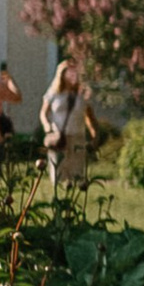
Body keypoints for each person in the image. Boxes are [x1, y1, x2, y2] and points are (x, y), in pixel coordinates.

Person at [39, 55, 96, 191]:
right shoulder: (54, 93)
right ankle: (58, 194)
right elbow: (43, 113)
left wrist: (94, 135)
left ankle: (72, 192)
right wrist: (47, 126)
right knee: (59, 169)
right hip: (59, 136)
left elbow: (90, 117)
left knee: (76, 170)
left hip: (77, 135)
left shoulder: (81, 95)